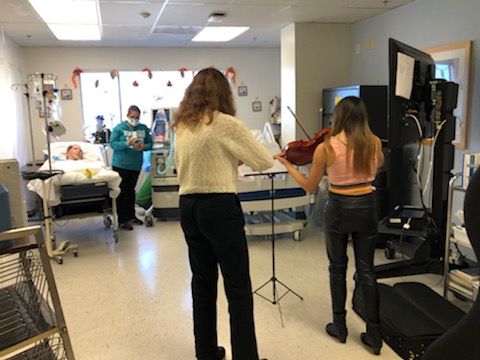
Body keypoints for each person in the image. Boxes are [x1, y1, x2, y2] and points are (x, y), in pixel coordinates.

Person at [173, 68, 272, 360]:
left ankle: (206, 353)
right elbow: (263, 160)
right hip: (219, 207)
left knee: (202, 283)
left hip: (188, 207)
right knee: (238, 287)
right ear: (223, 93)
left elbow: (188, 163)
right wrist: (235, 158)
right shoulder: (224, 123)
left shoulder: (182, 126)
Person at [275, 96, 385, 355]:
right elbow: (375, 168)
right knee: (367, 270)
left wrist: (287, 164)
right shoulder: (375, 142)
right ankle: (375, 335)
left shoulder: (326, 148)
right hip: (367, 206)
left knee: (337, 269)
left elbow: (309, 186)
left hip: (339, 208)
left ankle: (340, 326)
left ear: (339, 117)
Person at [110, 105, 153, 230]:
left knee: (131, 191)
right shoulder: (119, 128)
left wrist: (143, 147)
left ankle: (131, 216)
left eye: (137, 117)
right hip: (120, 164)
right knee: (122, 192)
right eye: (132, 117)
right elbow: (113, 144)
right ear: (127, 116)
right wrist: (126, 143)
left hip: (135, 165)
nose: (134, 119)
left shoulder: (143, 129)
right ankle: (123, 220)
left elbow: (150, 144)